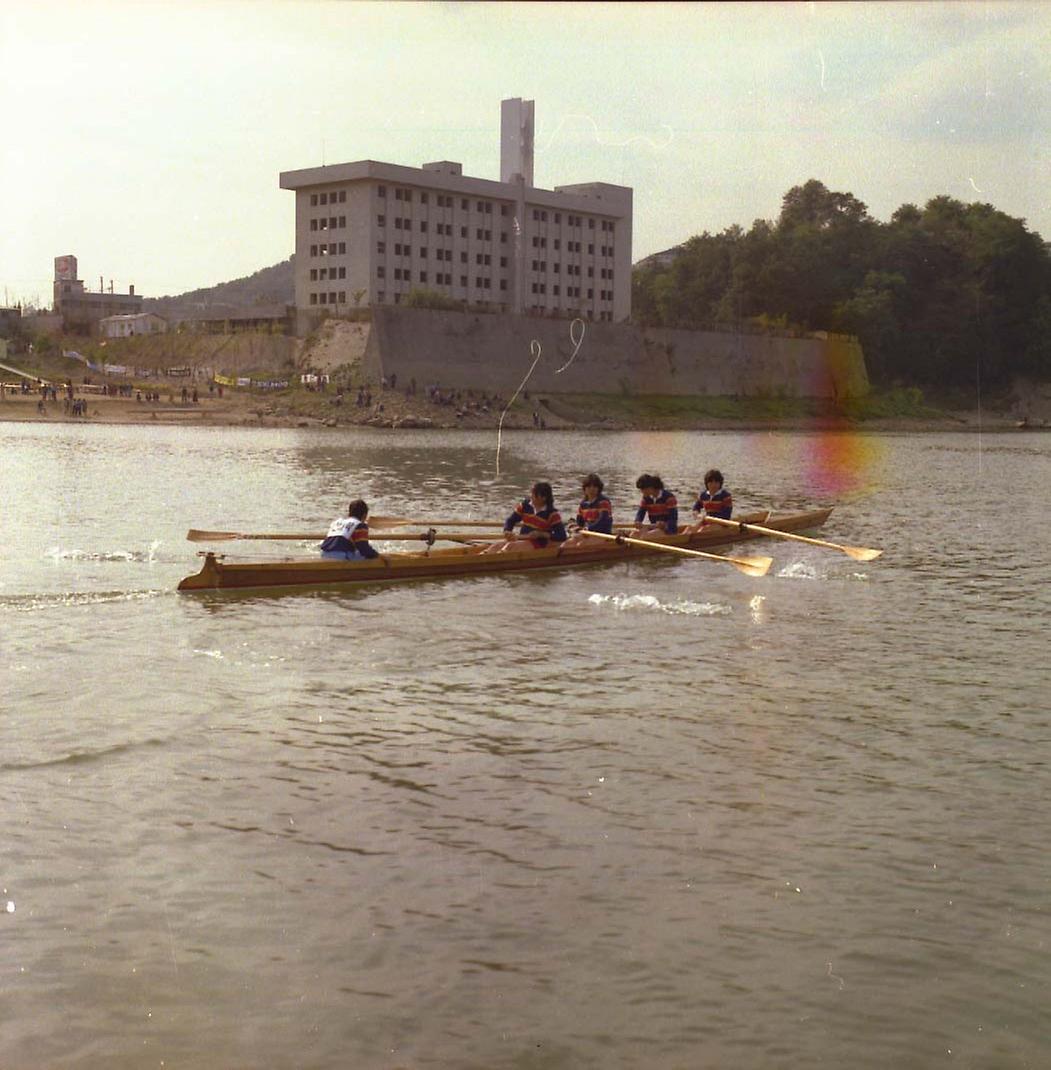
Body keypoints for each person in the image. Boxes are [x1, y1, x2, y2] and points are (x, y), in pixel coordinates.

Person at [484, 481, 568, 553]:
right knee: (496, 545)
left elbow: (561, 536)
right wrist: (507, 530)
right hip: (522, 539)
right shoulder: (525, 506)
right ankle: (483, 555)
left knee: (510, 546)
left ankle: (497, 558)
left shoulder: (552, 514)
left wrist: (541, 534)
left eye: (534, 496)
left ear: (543, 498)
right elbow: (511, 520)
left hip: (538, 544)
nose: (531, 497)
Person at [319, 499, 383, 561]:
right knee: (371, 555)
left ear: (349, 513)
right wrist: (379, 556)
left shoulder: (337, 522)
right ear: (364, 515)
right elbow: (364, 548)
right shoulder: (359, 525)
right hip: (341, 556)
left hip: (324, 554)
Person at [562, 474, 613, 550]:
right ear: (585, 489)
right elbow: (580, 521)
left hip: (603, 534)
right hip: (588, 533)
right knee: (566, 544)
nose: (591, 489)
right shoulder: (583, 504)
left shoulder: (603, 502)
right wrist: (575, 526)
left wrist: (588, 528)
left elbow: (603, 521)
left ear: (599, 488)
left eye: (595, 487)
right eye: (589, 487)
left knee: (581, 545)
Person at [688, 469, 733, 533]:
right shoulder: (703, 495)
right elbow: (696, 507)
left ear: (720, 483)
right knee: (689, 529)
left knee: (703, 530)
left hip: (721, 524)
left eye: (716, 482)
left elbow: (726, 515)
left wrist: (710, 518)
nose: (713, 485)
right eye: (711, 482)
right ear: (707, 483)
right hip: (708, 521)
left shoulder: (725, 496)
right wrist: (697, 514)